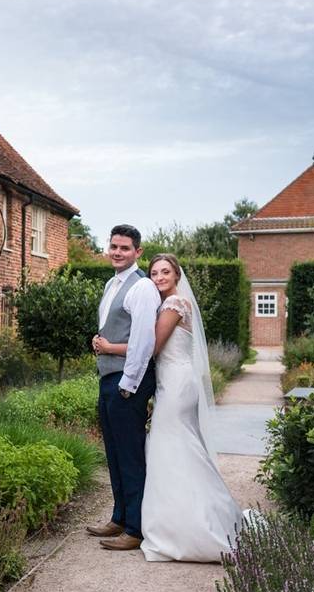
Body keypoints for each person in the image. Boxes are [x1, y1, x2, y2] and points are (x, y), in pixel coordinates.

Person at [97, 253, 244, 562]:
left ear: (177, 275)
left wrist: (109, 347)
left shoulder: (173, 305)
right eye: (154, 273)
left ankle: (187, 526)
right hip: (172, 383)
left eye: (165, 272)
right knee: (177, 447)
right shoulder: (171, 304)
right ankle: (175, 517)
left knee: (171, 446)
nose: (159, 277)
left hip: (176, 385)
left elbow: (151, 345)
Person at [87, 224, 160, 551]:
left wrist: (129, 386)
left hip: (128, 381)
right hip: (109, 377)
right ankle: (119, 516)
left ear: (137, 252)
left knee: (130, 456)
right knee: (114, 453)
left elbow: (144, 342)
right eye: (113, 246)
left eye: (125, 248)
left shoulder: (142, 287)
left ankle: (135, 528)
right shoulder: (111, 284)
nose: (117, 252)